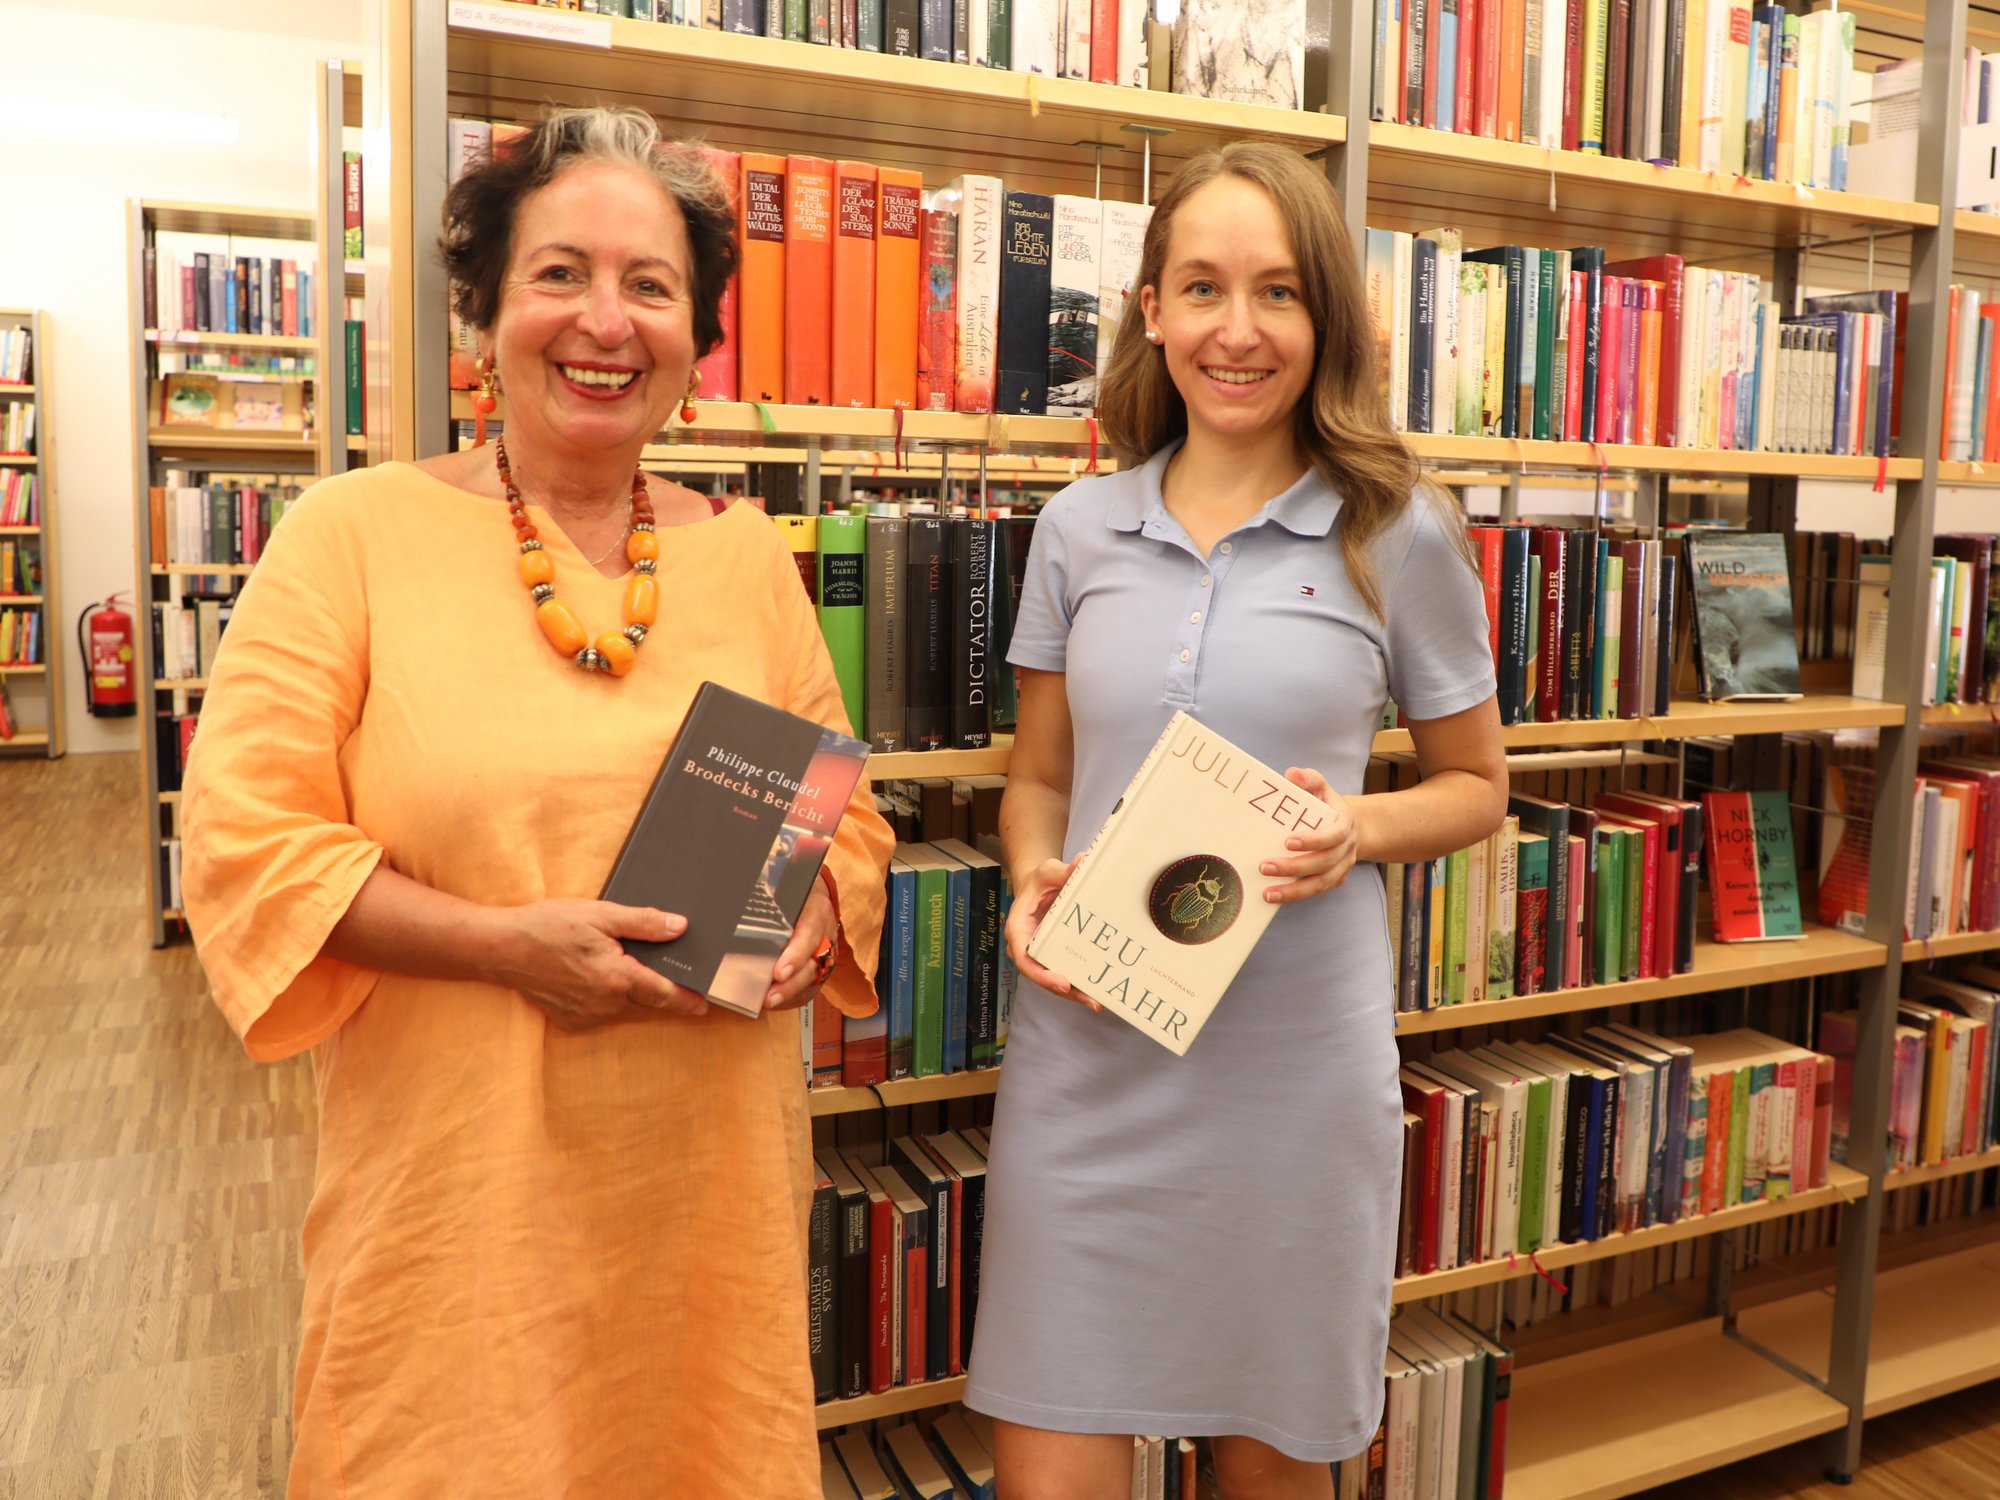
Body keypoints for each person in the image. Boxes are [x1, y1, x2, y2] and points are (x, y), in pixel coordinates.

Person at [179, 106, 893, 1497]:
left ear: (697, 338)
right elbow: (247, 847)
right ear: (485, 314)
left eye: (651, 286)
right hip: (459, 1206)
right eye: (560, 274)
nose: (604, 322)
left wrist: (813, 906)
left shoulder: (749, 558)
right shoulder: (353, 537)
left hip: (702, 1200)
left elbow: (840, 816)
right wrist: (509, 949)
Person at [963, 144, 1509, 1498]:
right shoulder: (1081, 528)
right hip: (1089, 1054)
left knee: (1273, 1471)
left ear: (1323, 317)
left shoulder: (1400, 529)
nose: (1238, 329)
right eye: (1201, 287)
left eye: (1276, 291)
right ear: (1151, 309)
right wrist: (1034, 876)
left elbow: (1477, 786)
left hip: (1292, 1076)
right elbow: (1038, 778)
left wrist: (1358, 835)